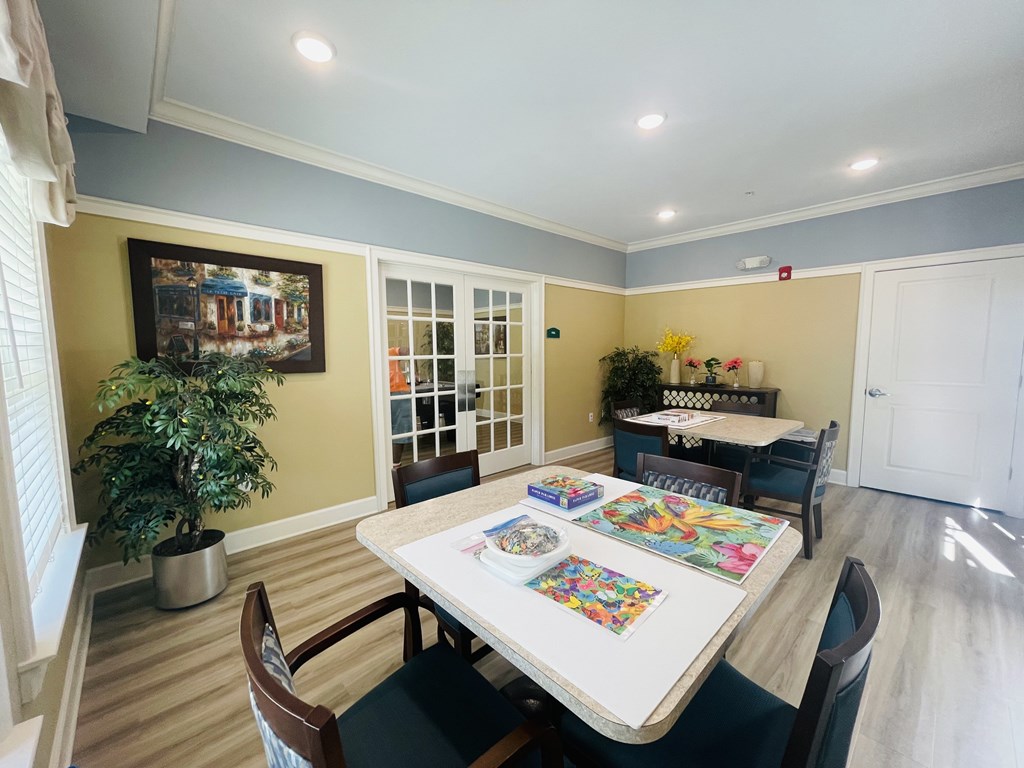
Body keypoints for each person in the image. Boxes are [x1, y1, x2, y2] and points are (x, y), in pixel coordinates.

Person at [389, 346, 413, 468]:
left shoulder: (391, 351)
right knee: (398, 430)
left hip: (398, 392)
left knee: (400, 430)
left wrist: (415, 371)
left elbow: (409, 350)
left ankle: (395, 464)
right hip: (390, 393)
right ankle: (394, 464)